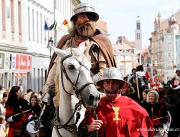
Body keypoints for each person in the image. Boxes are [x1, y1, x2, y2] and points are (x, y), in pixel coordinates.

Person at [42, 2, 116, 105]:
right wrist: (48, 90)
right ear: (75, 20)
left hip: (95, 92)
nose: (87, 20)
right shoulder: (66, 42)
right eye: (83, 16)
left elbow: (105, 70)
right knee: (47, 116)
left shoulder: (101, 42)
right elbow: (55, 69)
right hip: (68, 93)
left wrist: (87, 82)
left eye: (90, 17)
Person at [78, 67, 154, 137]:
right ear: (103, 84)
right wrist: (88, 129)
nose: (111, 86)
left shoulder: (133, 106)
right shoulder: (95, 107)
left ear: (120, 84)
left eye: (115, 82)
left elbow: (147, 130)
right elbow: (80, 132)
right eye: (107, 82)